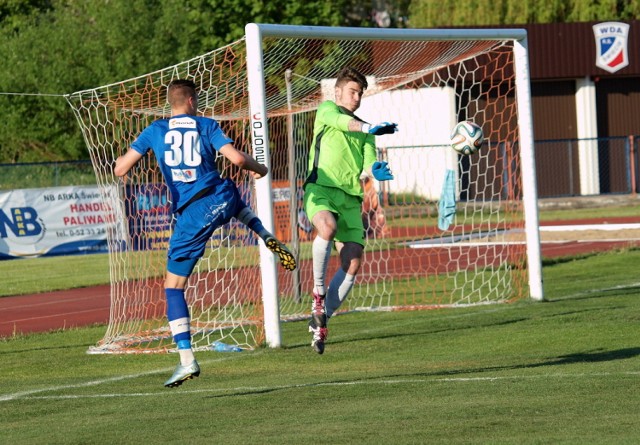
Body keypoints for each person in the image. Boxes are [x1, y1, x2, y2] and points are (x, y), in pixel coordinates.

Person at [114, 79, 296, 387]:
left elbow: (121, 170)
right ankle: (263, 233)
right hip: (222, 194)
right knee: (232, 199)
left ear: (171, 103)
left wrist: (120, 161)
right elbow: (237, 159)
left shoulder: (155, 130)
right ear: (189, 101)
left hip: (192, 213)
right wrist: (261, 169)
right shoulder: (205, 124)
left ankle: (186, 361)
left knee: (173, 288)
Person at [303, 67, 396, 354]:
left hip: (351, 200)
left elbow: (368, 162)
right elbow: (344, 123)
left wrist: (375, 170)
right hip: (321, 190)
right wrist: (369, 128)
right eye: (352, 91)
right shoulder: (327, 110)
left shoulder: (367, 131)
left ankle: (320, 321)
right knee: (327, 228)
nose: (356, 98)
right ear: (338, 92)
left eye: (360, 93)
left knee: (353, 261)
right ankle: (318, 295)